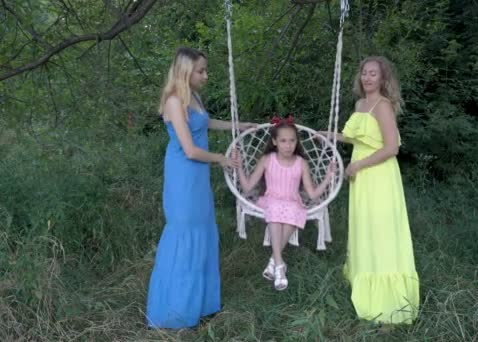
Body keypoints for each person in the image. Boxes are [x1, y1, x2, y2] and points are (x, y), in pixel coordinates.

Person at [147, 47, 255, 329]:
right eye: (201, 71)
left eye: (206, 70)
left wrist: (238, 125)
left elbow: (205, 123)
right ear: (185, 71)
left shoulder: (193, 96)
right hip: (184, 173)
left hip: (197, 177)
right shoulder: (174, 101)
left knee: (203, 230)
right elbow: (191, 150)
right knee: (184, 232)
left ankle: (201, 304)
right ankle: (175, 311)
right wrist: (222, 160)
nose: (206, 75)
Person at [320, 56, 419, 324]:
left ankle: (389, 305)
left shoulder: (383, 106)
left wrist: (358, 165)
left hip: (378, 175)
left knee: (381, 232)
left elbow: (390, 148)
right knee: (365, 229)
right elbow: (359, 138)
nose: (367, 77)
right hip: (362, 176)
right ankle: (364, 281)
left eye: (373, 73)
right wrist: (332, 136)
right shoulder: (360, 103)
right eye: (364, 72)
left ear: (383, 79)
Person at [234, 116, 335, 291]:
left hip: (292, 201)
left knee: (293, 211)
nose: (288, 145)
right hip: (271, 200)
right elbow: (248, 187)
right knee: (275, 209)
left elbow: (311, 194)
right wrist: (240, 167)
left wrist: (327, 178)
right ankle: (280, 265)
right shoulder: (268, 159)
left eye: (292, 141)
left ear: (296, 142)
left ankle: (275, 260)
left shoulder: (301, 163)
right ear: (274, 142)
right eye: (283, 141)